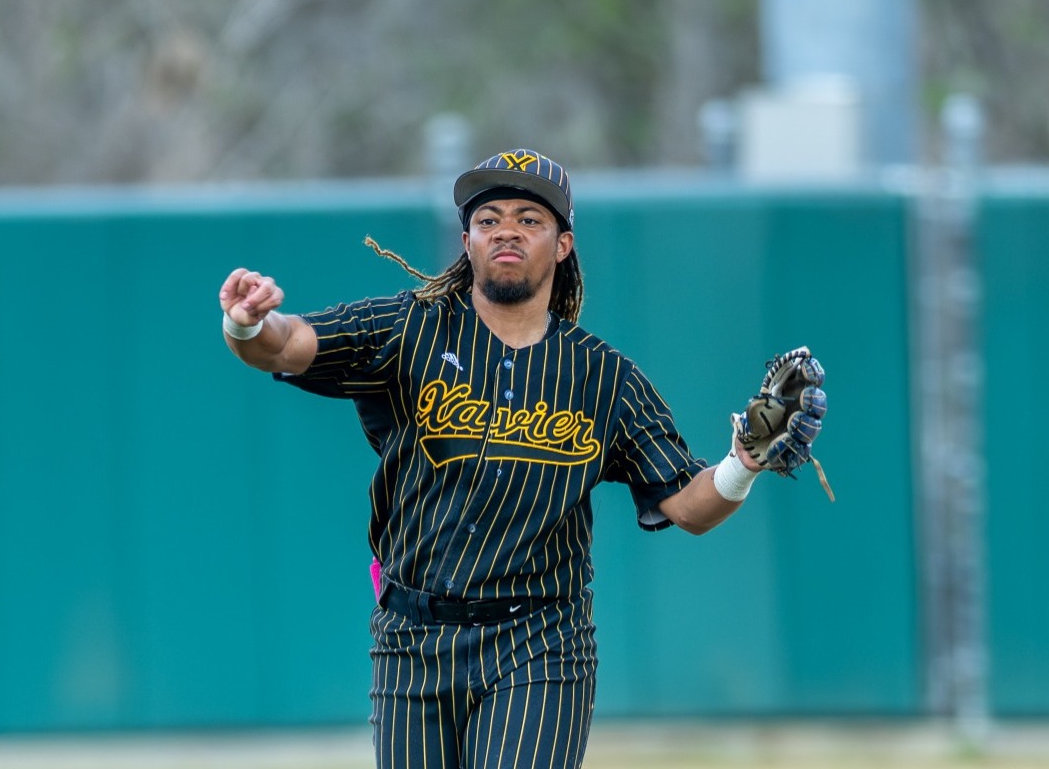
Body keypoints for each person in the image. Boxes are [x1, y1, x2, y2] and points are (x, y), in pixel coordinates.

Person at [218, 148, 820, 769]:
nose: (507, 229)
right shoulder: (409, 329)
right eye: (490, 218)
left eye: (530, 219)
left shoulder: (603, 377)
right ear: (468, 240)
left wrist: (744, 460)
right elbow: (288, 344)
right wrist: (246, 325)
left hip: (537, 640)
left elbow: (686, 504)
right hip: (410, 638)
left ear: (562, 245)